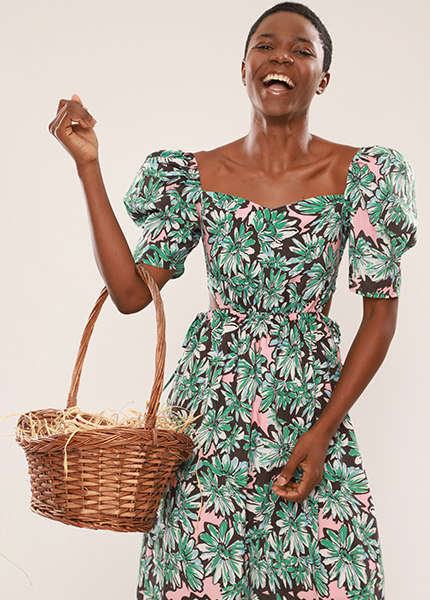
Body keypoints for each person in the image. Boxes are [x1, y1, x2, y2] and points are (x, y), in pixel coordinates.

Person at [49, 2, 417, 599]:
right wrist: (89, 167)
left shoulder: (364, 174)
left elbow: (380, 317)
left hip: (308, 416)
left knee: (326, 574)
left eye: (301, 50)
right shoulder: (194, 175)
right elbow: (130, 295)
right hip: (208, 422)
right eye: (265, 46)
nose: (281, 58)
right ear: (243, 67)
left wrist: (323, 431)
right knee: (197, 577)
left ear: (323, 78)